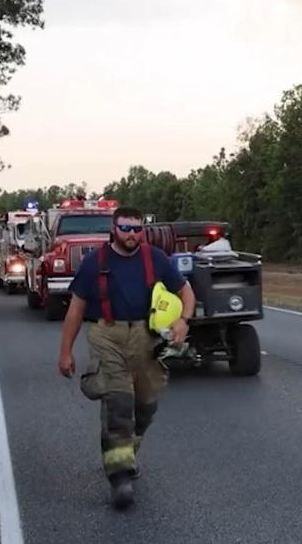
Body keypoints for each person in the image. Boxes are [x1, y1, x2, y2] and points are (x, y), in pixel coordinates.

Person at [57, 206, 195, 509]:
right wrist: (65, 352)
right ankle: (119, 477)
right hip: (107, 333)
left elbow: (186, 292)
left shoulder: (155, 258)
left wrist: (184, 319)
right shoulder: (95, 262)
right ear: (114, 229)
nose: (131, 235)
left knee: (145, 406)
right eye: (125, 228)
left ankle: (127, 451)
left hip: (145, 336)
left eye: (136, 229)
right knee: (119, 404)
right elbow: (76, 310)